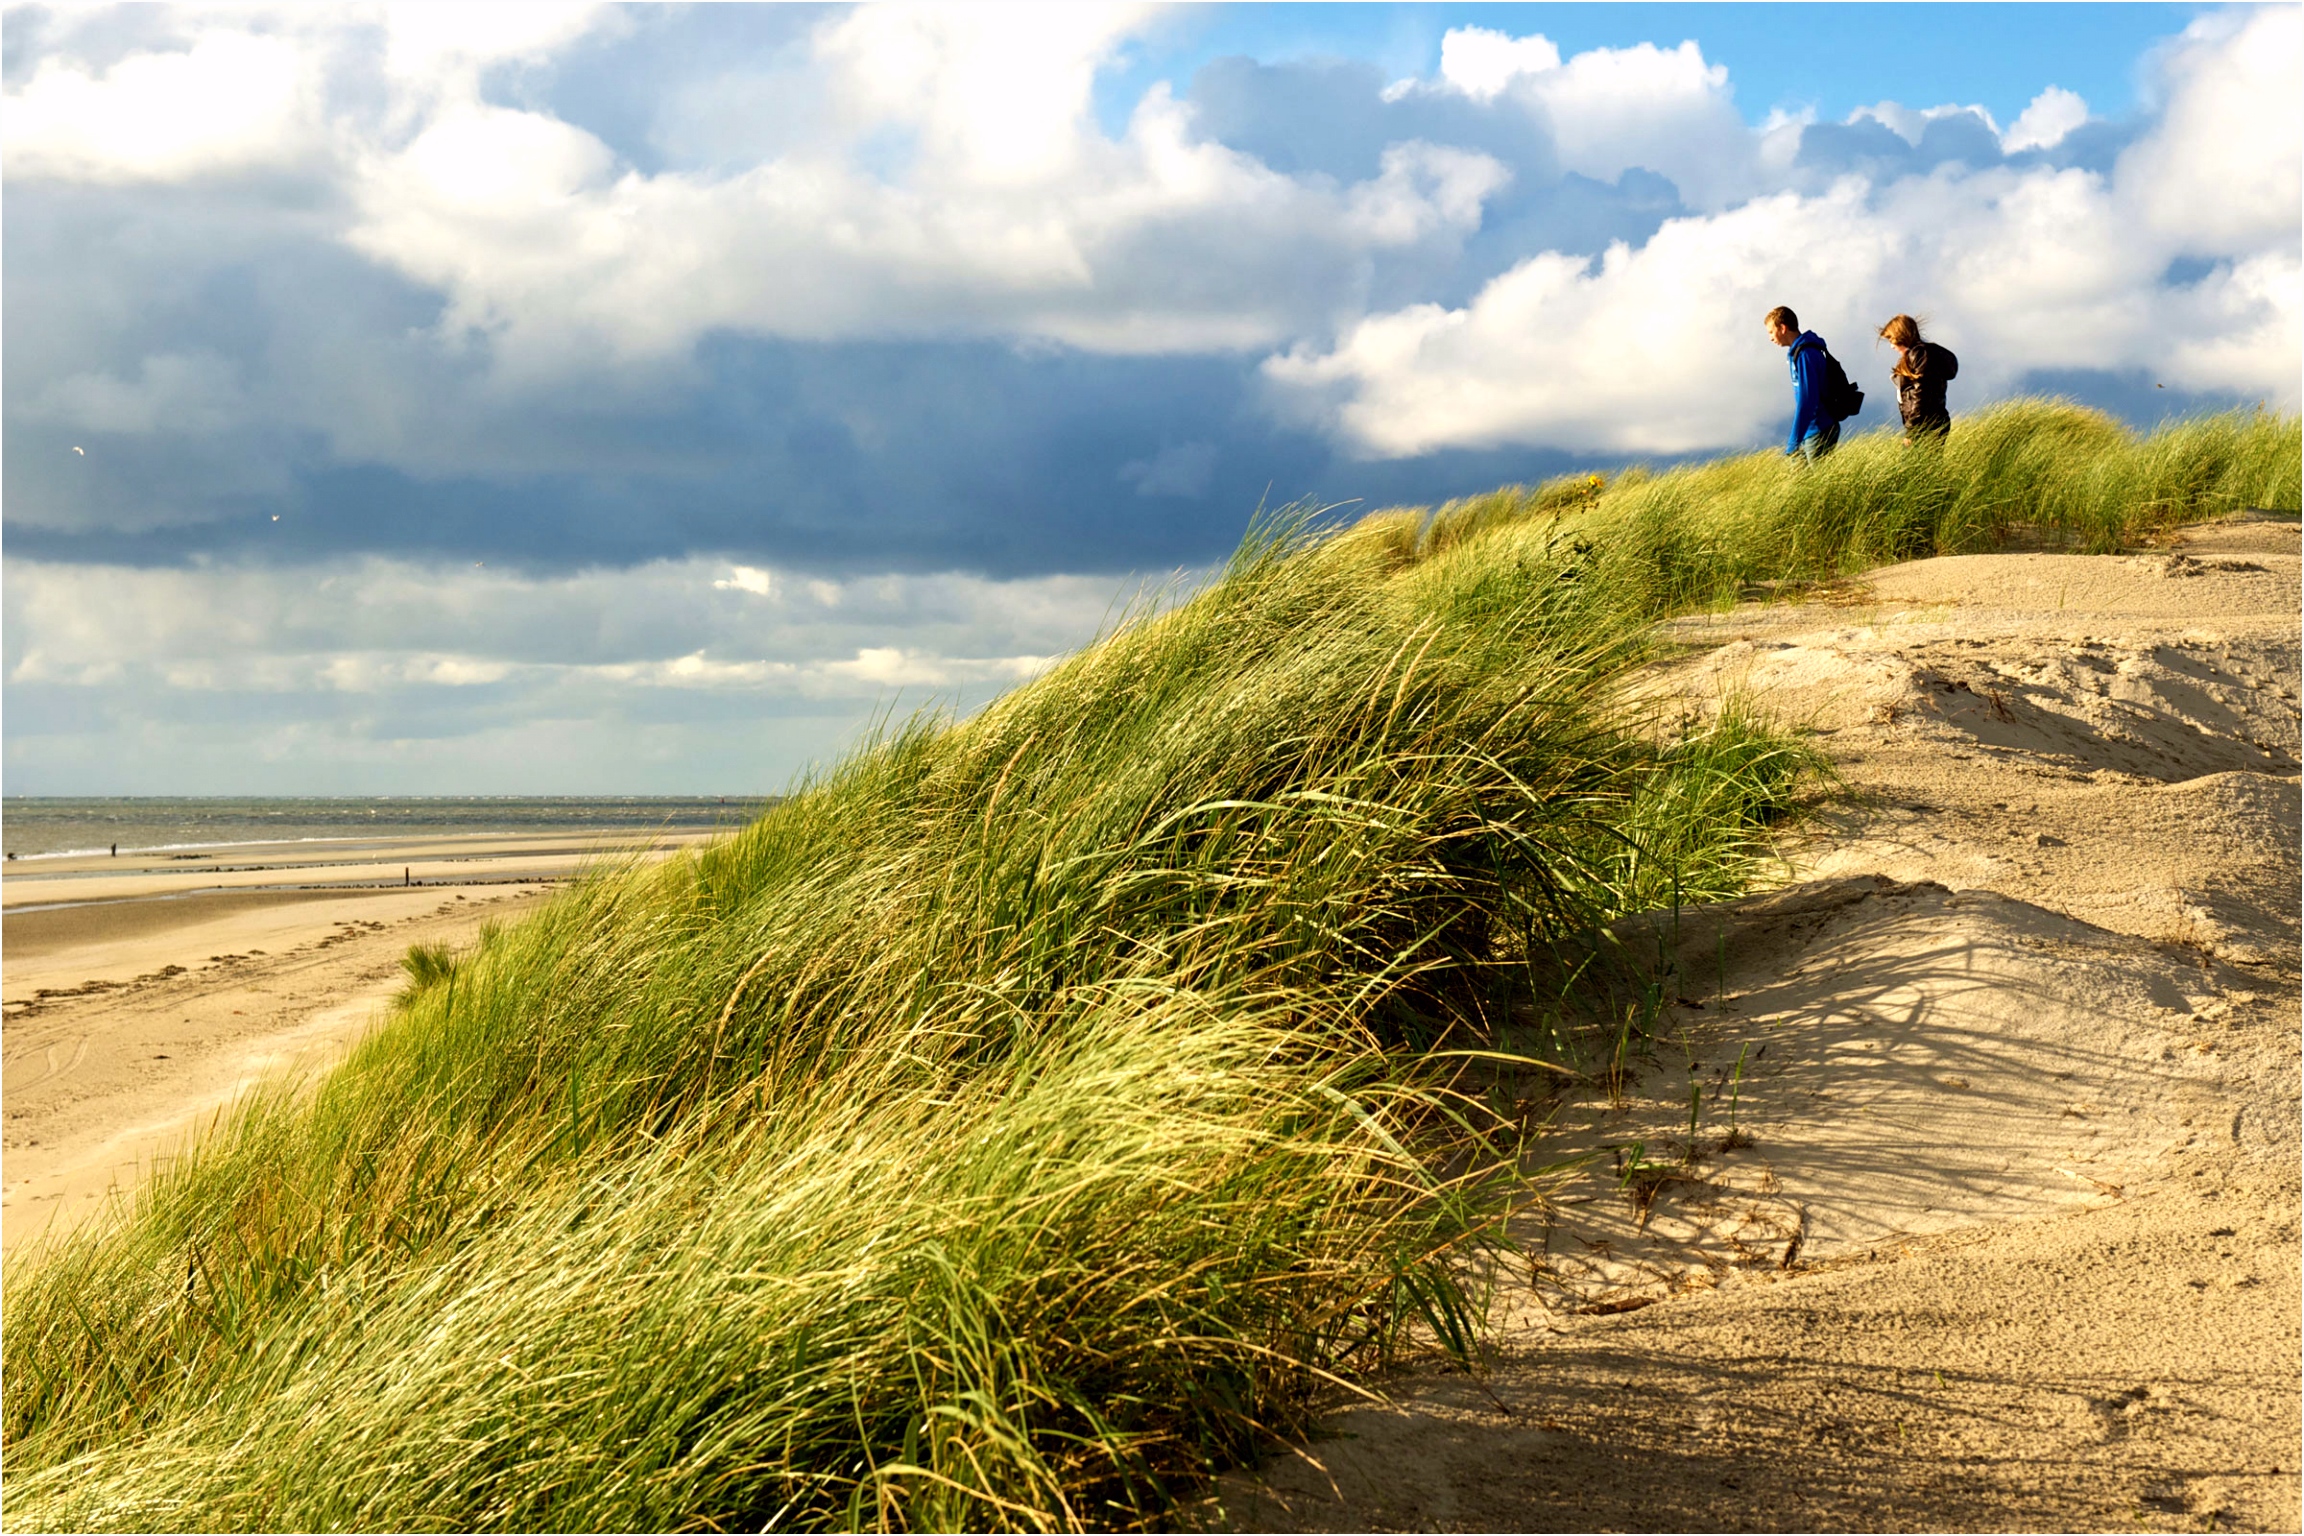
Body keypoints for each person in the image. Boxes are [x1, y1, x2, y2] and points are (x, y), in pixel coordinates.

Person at [1765, 305, 1838, 462]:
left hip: (1819, 429)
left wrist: (1793, 441)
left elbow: (1807, 400)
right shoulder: (1797, 353)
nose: (1770, 338)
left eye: (1771, 332)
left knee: (1820, 484)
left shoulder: (1806, 354)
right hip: (1809, 431)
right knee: (1801, 483)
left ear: (1783, 328)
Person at [1879, 313, 1957, 442]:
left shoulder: (1920, 355)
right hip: (1929, 423)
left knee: (1917, 461)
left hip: (1925, 426)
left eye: (1891, 340)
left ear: (1901, 336)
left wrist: (1912, 430)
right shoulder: (1918, 355)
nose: (1891, 346)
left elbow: (1921, 394)